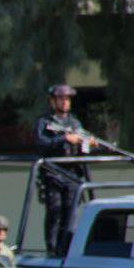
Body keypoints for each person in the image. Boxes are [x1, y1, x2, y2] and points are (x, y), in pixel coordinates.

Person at [34, 84, 94, 257]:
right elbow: (41, 143)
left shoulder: (74, 122)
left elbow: (83, 144)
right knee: (55, 211)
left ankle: (66, 250)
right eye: (61, 99)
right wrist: (64, 138)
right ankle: (52, 250)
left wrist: (88, 144)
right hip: (53, 172)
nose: (65, 102)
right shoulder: (44, 122)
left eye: (67, 99)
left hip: (72, 174)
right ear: (52, 101)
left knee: (70, 212)